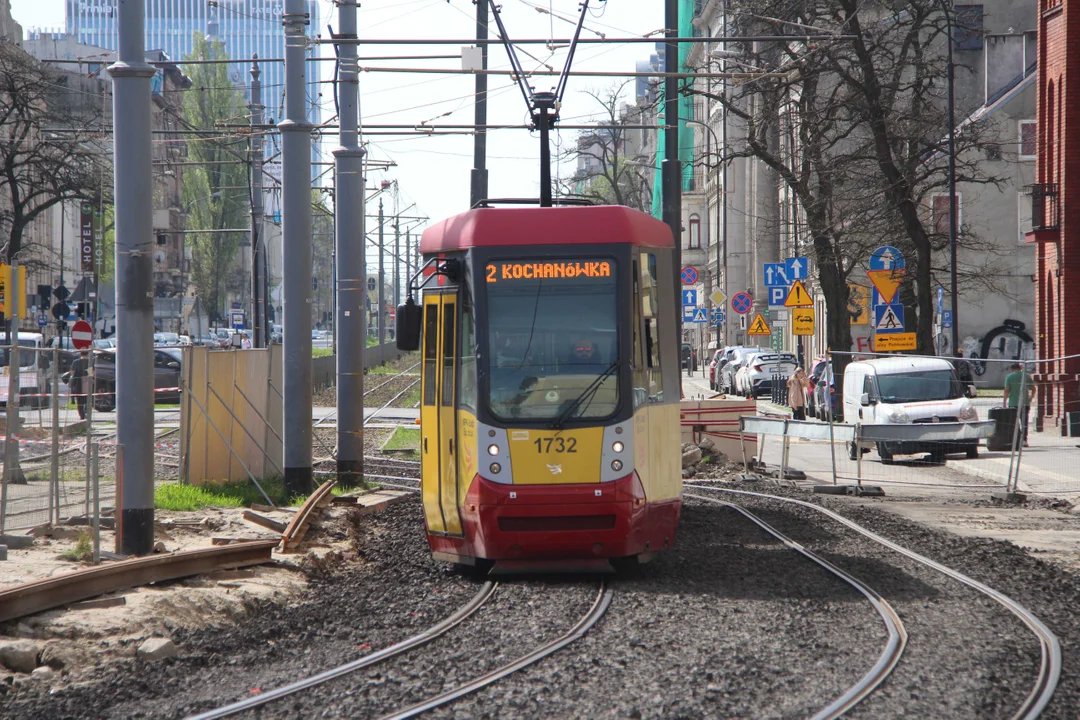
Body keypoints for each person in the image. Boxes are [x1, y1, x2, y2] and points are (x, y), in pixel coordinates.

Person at [1003, 362, 1035, 447]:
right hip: (1025, 403)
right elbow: (1033, 388)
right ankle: (1024, 440)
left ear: (1012, 369)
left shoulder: (1009, 377)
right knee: (1024, 422)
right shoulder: (1026, 376)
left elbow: (1007, 390)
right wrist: (1031, 397)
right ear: (1020, 368)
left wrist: (1004, 402)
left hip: (1013, 402)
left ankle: (1015, 440)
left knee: (1014, 422)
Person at [67, 350, 90, 420]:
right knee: (86, 398)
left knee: (79, 399)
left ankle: (81, 415)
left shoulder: (75, 362)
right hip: (85, 380)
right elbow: (91, 373)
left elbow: (72, 372)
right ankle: (86, 412)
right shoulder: (89, 362)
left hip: (77, 381)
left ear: (80, 354)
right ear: (87, 354)